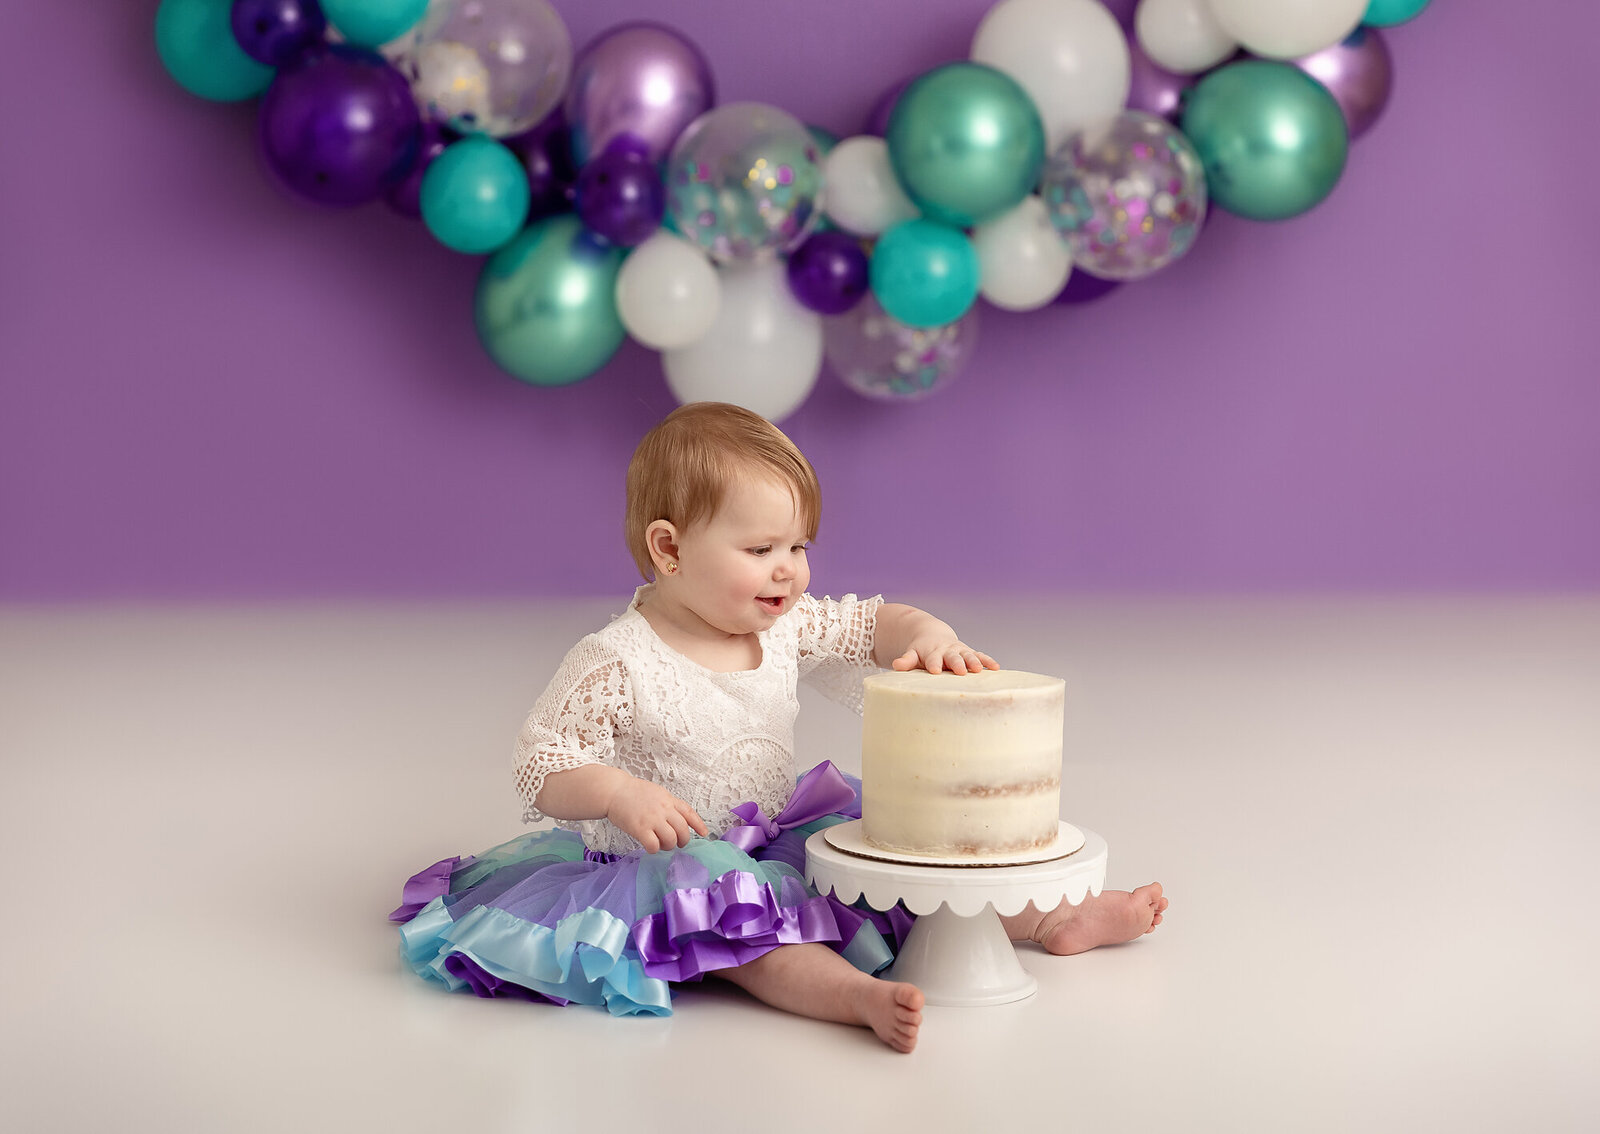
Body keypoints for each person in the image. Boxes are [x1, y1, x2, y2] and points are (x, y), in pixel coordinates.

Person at [392, 402, 1166, 1053]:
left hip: (776, 833)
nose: (788, 570)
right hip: (676, 864)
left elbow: (870, 624)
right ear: (669, 549)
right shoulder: (617, 660)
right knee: (746, 935)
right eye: (760, 549)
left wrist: (925, 632)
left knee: (893, 863)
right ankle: (854, 996)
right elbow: (543, 759)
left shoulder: (785, 626)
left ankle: (1054, 917)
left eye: (798, 547)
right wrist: (619, 792)